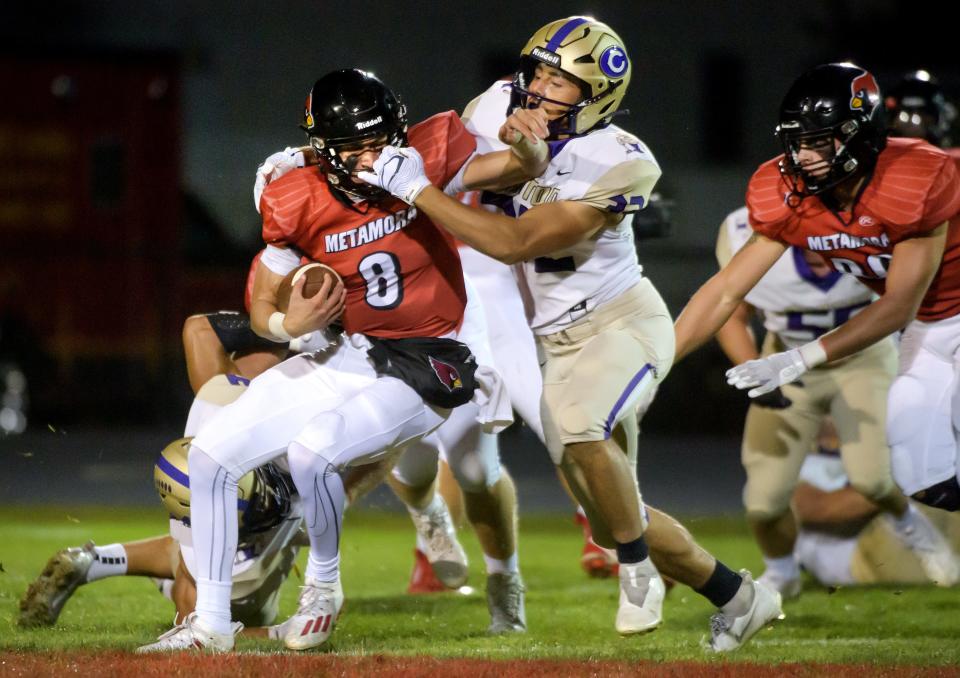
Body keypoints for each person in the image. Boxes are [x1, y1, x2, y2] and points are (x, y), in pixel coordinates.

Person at [360, 16, 782, 652]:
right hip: (551, 337)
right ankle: (738, 595)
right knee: (616, 515)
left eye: (562, 80)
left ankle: (637, 571)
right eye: (540, 71)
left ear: (598, 95)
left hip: (618, 323)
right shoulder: (498, 104)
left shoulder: (625, 161)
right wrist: (507, 156)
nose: (540, 88)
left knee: (582, 433)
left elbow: (516, 240)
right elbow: (457, 171)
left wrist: (424, 185)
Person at [137, 67, 547, 653]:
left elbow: (518, 169)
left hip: (433, 354)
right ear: (325, 153)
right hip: (355, 350)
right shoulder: (294, 194)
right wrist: (286, 325)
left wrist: (528, 147)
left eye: (383, 142)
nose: (374, 159)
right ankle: (210, 624)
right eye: (358, 149)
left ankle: (323, 591)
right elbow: (260, 306)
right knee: (209, 459)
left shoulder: (424, 157)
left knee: (314, 453)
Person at [673, 62, 960, 515]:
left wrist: (798, 358)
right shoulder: (788, 191)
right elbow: (727, 289)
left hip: (931, 315)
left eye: (816, 141)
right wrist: (655, 363)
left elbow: (899, 304)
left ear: (859, 132)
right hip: (930, 327)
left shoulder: (917, 177)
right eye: (796, 142)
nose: (802, 156)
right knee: (921, 479)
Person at [714, 206, 958, 596]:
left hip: (865, 360)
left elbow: (912, 302)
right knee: (763, 501)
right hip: (783, 363)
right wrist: (752, 366)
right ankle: (781, 572)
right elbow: (729, 313)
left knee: (875, 479)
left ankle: (909, 523)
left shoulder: (884, 223)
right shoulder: (745, 231)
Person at [18, 437, 303, 636]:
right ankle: (97, 562)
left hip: (248, 492)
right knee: (256, 613)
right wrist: (277, 633)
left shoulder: (197, 493)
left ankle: (94, 560)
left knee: (191, 560)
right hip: (280, 476)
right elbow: (203, 632)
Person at [793, 421, 960, 587]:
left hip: (911, 520)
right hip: (860, 547)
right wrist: (896, 484)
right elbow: (816, 508)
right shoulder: (797, 459)